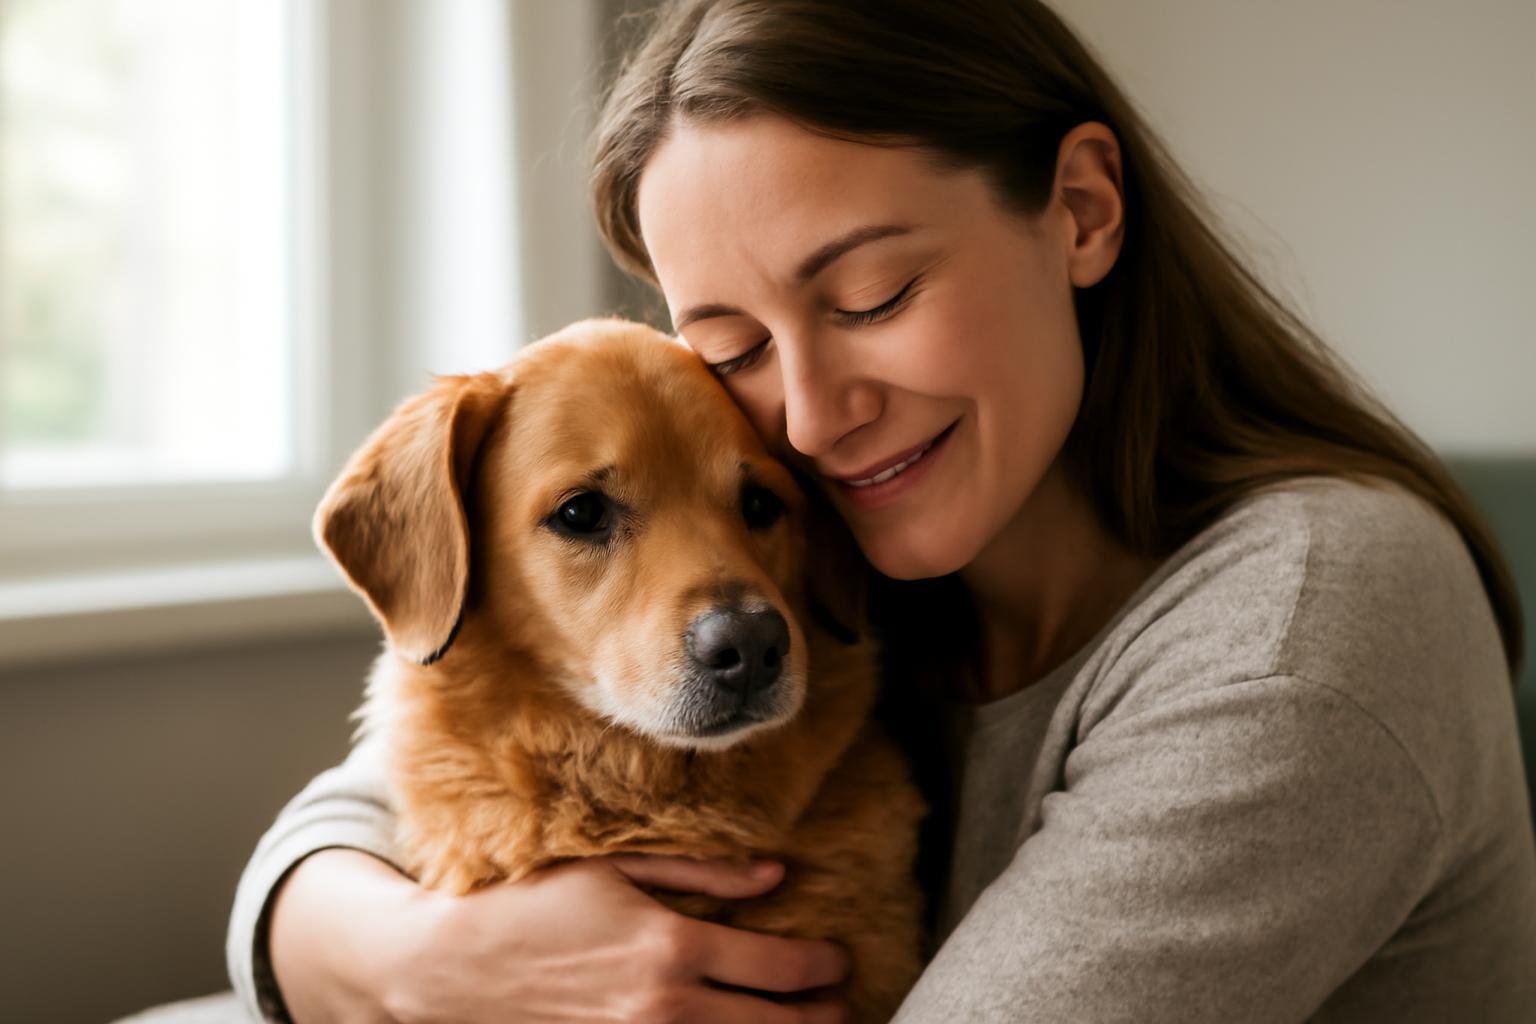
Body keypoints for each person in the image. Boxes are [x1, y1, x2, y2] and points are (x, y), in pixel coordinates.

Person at [227, 1, 1536, 1020]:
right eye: (731, 340)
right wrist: (423, 961)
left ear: (1079, 211)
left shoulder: (1303, 633)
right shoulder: (825, 552)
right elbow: (372, 801)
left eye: (868, 300)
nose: (807, 413)